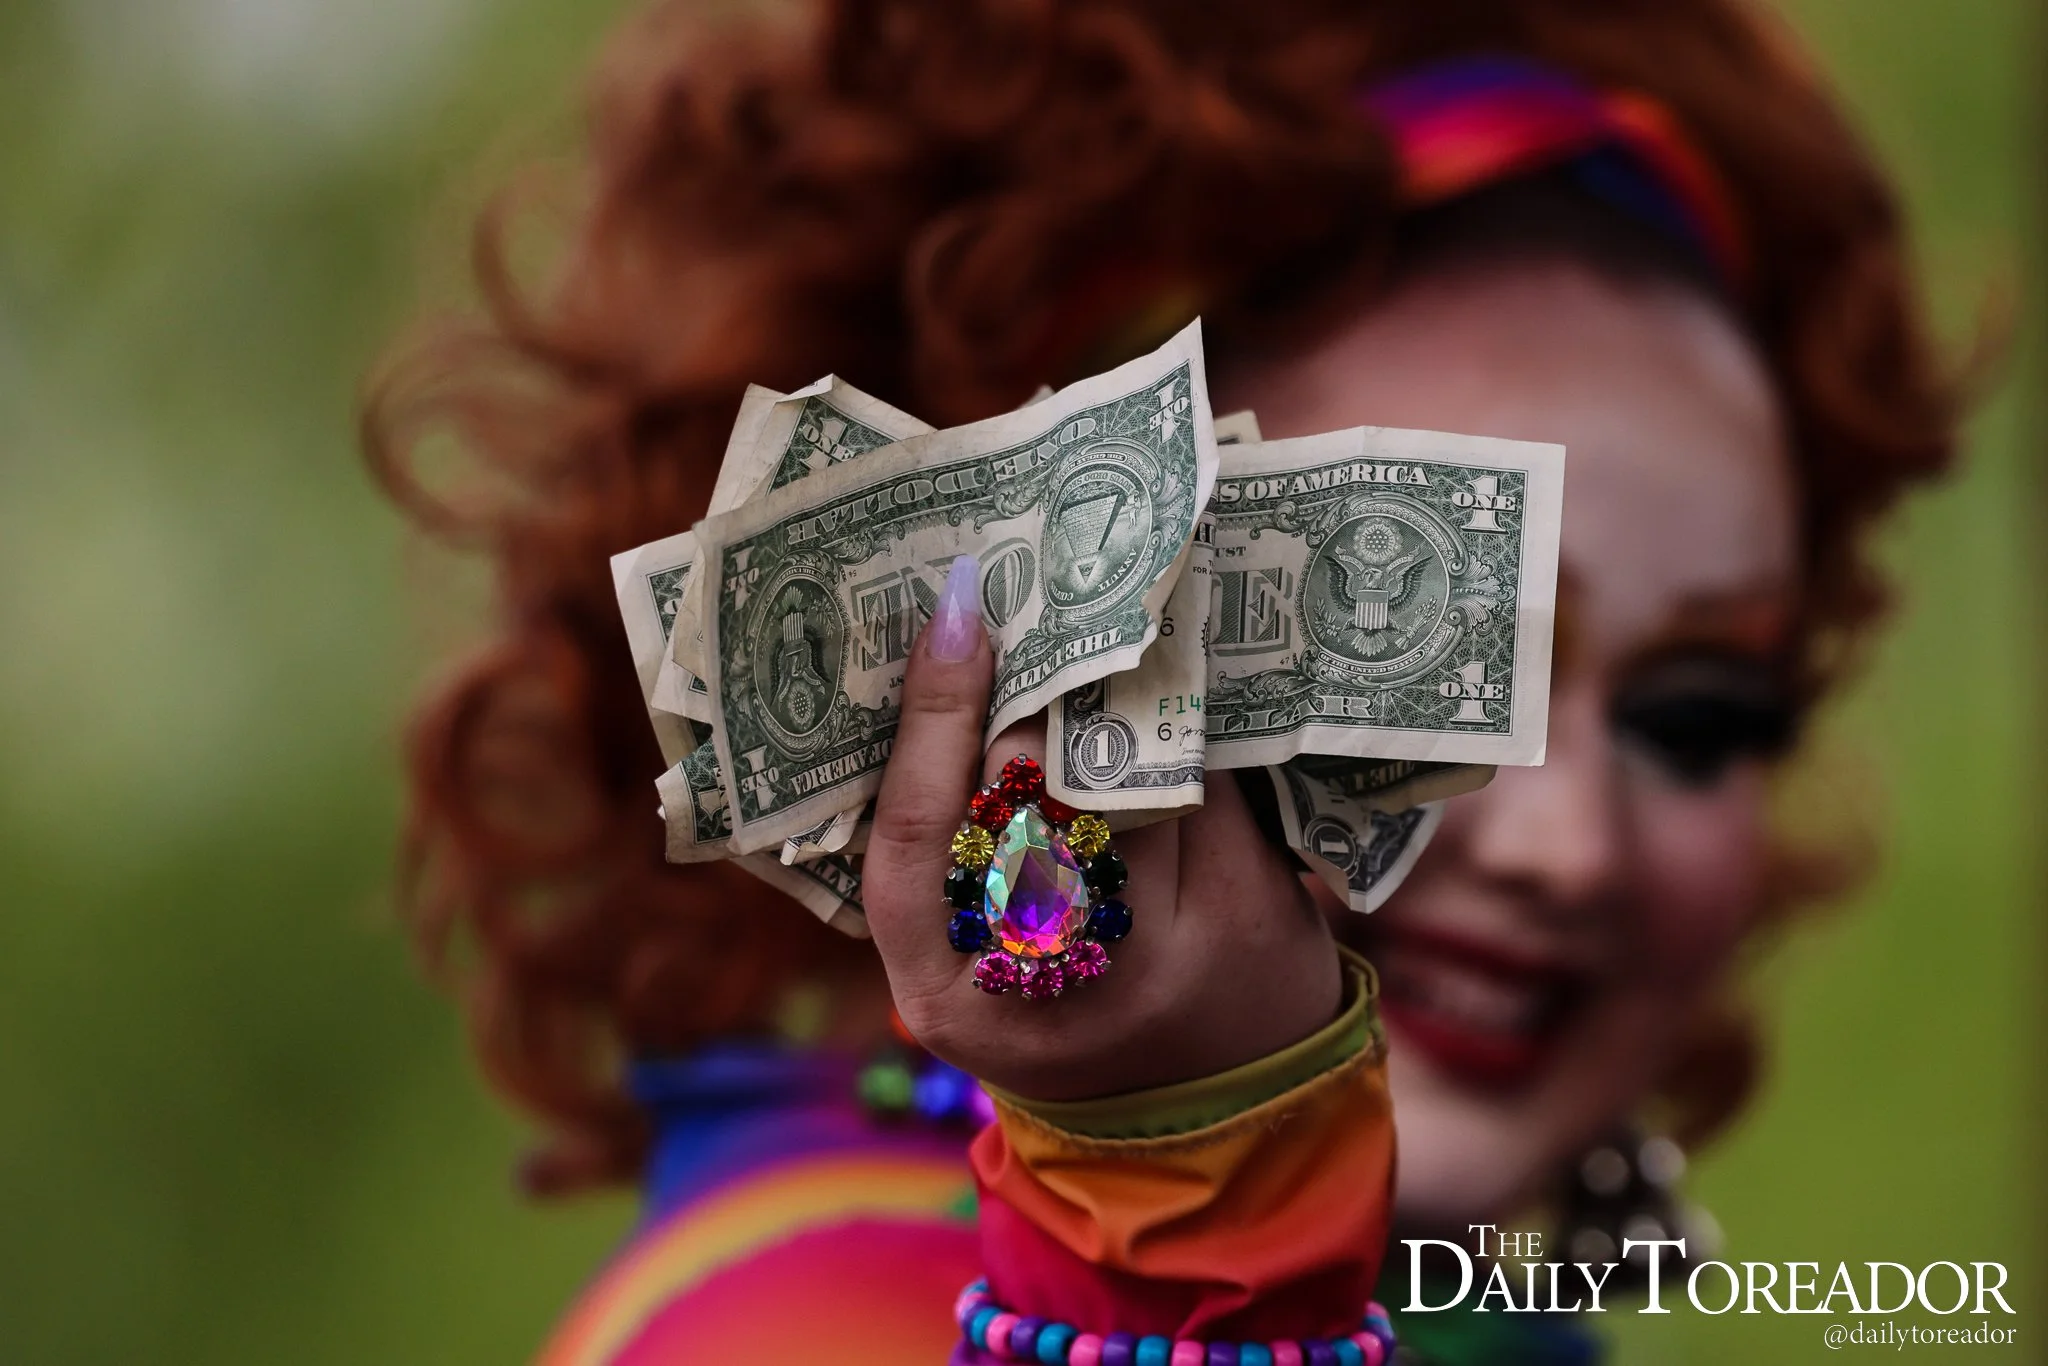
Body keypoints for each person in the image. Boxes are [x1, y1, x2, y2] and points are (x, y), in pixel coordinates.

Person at [363, 2, 1961, 1362]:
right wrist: (1183, 1206)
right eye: (1419, 666)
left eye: (1698, 716)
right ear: (1007, 619)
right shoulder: (795, 1324)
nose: (1571, 849)